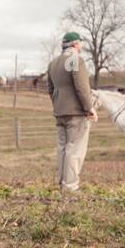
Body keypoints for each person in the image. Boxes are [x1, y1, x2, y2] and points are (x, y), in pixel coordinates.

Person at [47, 31, 97, 192]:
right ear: (75, 44)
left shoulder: (53, 63)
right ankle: (70, 186)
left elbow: (50, 89)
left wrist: (58, 105)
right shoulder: (76, 60)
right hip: (76, 113)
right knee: (75, 150)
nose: (81, 46)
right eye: (80, 43)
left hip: (60, 112)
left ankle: (63, 183)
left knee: (62, 148)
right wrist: (89, 108)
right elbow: (82, 88)